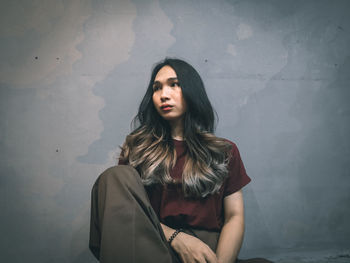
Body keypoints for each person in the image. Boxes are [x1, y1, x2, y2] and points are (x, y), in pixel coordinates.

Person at [89, 58, 272, 263]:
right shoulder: (138, 148)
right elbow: (125, 214)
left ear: (192, 91)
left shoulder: (224, 150)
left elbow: (234, 217)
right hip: (154, 246)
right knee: (114, 176)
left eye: (174, 85)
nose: (163, 95)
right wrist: (176, 238)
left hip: (209, 254)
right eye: (156, 88)